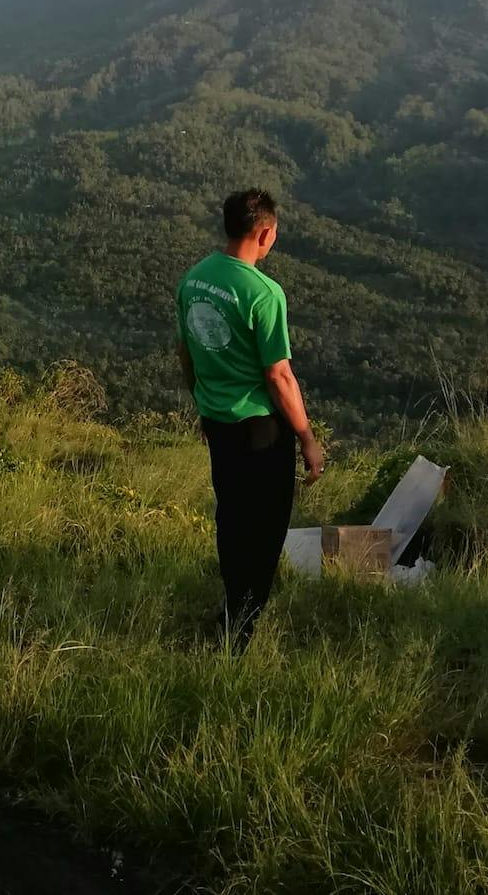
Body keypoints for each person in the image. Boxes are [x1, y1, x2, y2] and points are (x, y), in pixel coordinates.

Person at [180, 188, 324, 647]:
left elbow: (187, 351)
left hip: (219, 422)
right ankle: (241, 626)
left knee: (232, 516)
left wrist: (203, 404)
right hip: (260, 429)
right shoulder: (264, 294)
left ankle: (232, 606)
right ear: (264, 234)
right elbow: (279, 374)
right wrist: (306, 436)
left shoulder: (195, 279)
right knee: (266, 526)